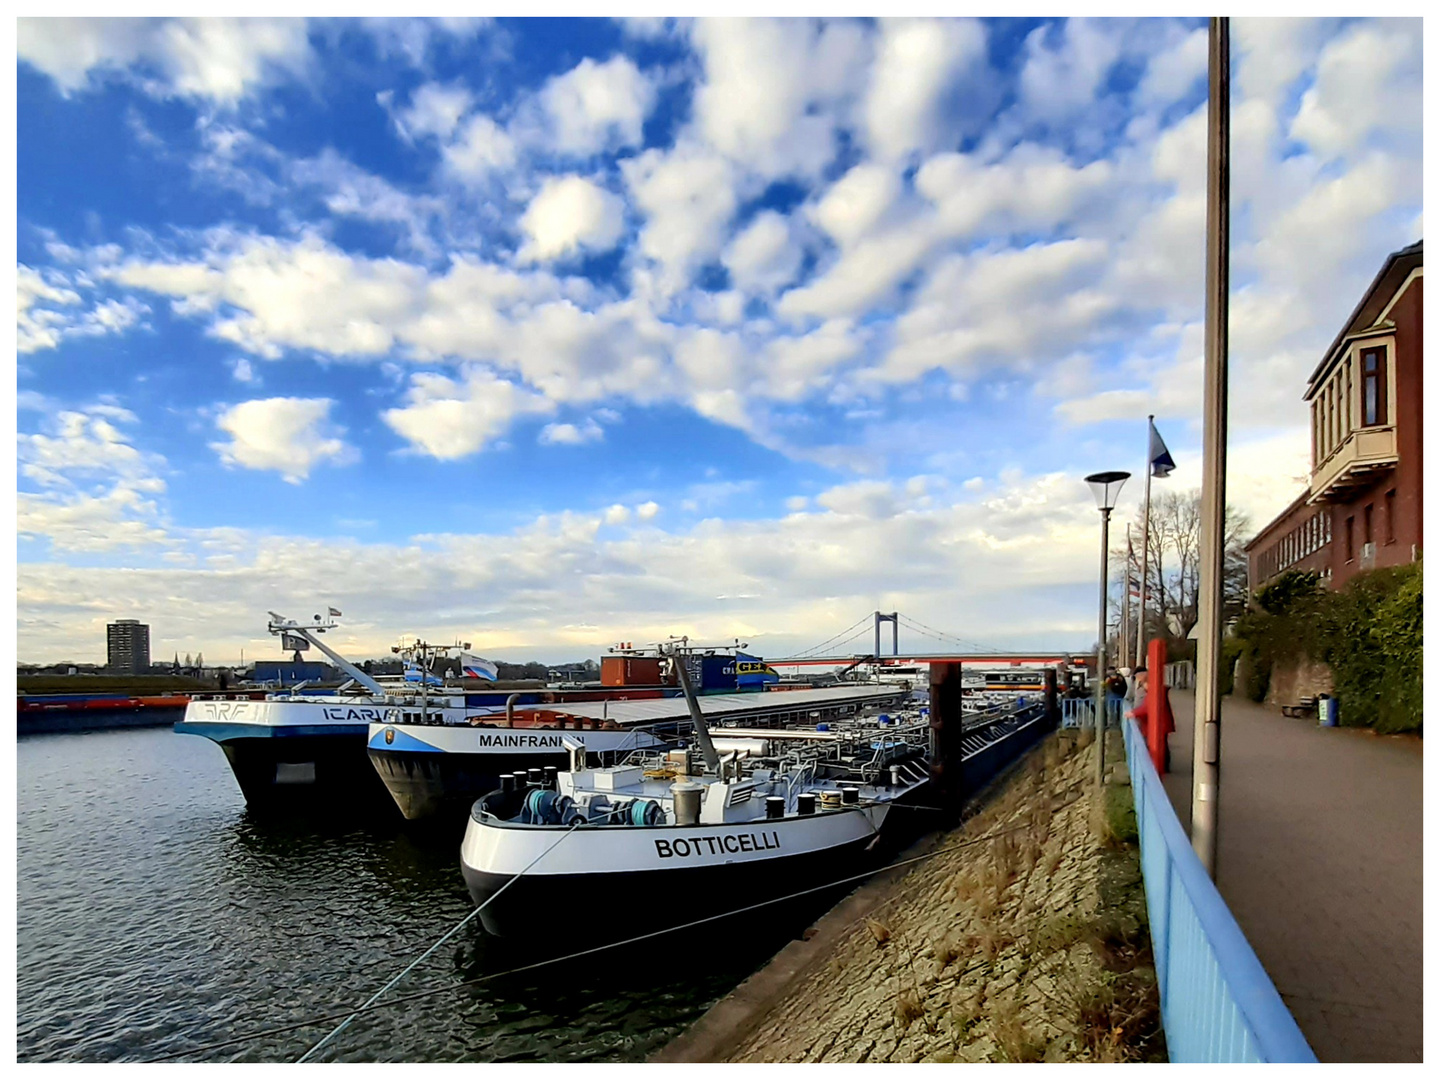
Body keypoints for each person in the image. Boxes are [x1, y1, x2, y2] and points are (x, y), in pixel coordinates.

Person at [1126, 666, 1175, 773]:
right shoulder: (1158, 692)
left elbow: (1147, 707)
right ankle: (1164, 765)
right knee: (1163, 745)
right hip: (1161, 722)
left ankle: (1161, 766)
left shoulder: (1154, 694)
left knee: (1160, 746)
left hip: (1158, 723)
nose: (1144, 687)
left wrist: (1133, 713)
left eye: (1144, 684)